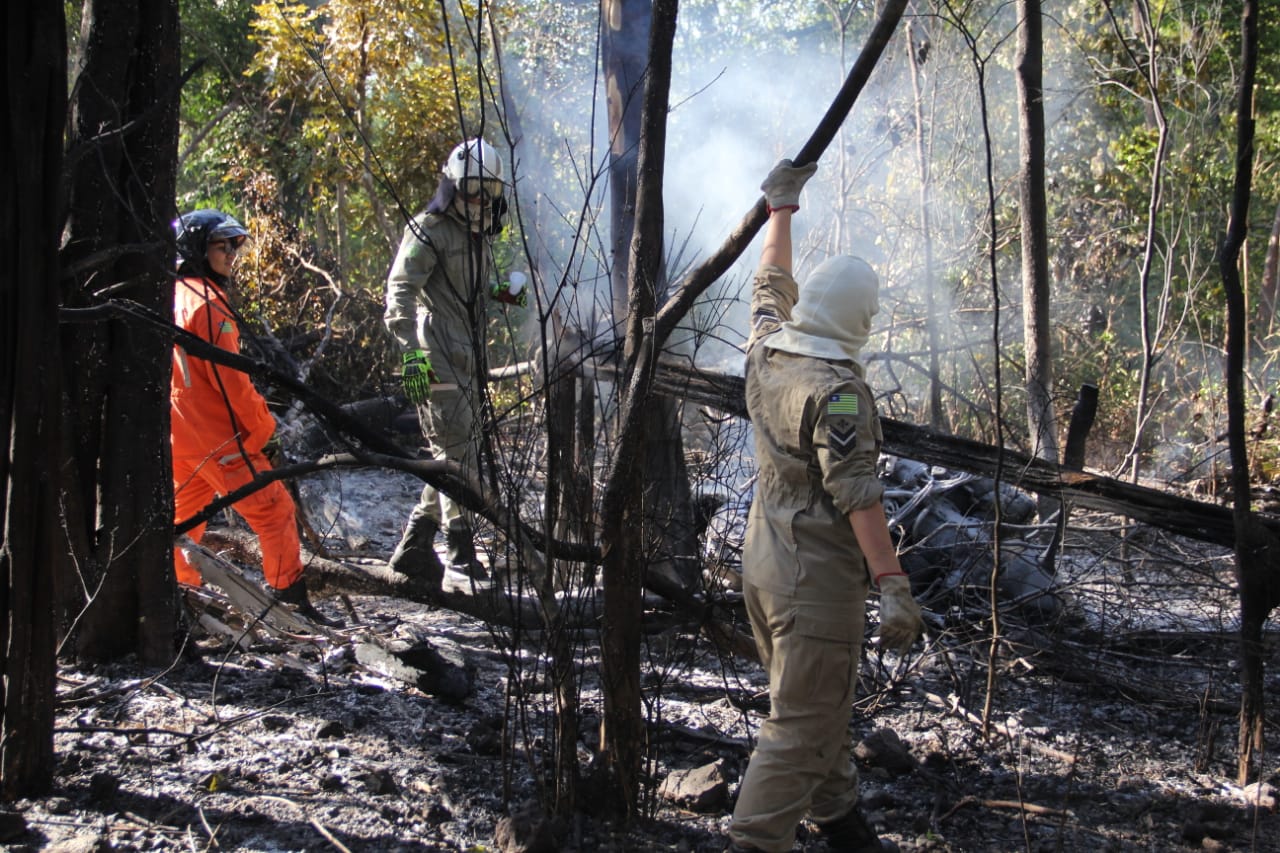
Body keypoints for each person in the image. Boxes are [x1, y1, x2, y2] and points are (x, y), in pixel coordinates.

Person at [726, 161, 924, 853]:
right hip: (814, 582)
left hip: (762, 566)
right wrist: (892, 584)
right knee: (798, 727)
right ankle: (753, 839)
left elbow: (769, 286)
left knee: (816, 707)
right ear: (859, 323)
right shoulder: (840, 392)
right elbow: (857, 493)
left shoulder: (766, 351)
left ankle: (841, 821)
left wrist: (780, 205)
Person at [171, 209, 339, 628]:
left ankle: (182, 597)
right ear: (195, 249)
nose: (230, 254)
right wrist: (265, 433)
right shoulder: (210, 306)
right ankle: (289, 604)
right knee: (275, 511)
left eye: (233, 246)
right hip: (220, 438)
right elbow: (233, 387)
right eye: (221, 246)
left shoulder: (173, 295)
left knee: (182, 519)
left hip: (180, 437)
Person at [383, 137, 518, 586]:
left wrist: (510, 292)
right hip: (428, 353)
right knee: (456, 451)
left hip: (464, 355)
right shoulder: (428, 229)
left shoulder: (475, 234)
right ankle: (461, 556)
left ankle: (414, 548)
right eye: (474, 190)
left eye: (488, 192)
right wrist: (412, 361)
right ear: (456, 185)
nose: (481, 201)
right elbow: (398, 294)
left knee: (455, 449)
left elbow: (478, 292)